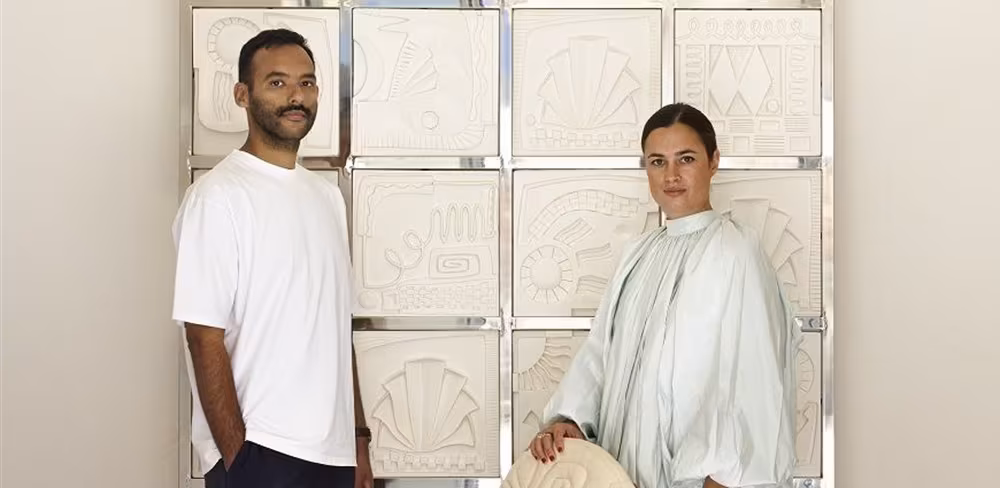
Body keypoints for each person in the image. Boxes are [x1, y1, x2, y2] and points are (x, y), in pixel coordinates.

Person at [527, 103, 799, 488]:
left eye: (685, 159)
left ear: (714, 161)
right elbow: (601, 353)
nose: (671, 176)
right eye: (657, 162)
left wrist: (726, 477)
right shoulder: (638, 254)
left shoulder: (735, 251)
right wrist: (569, 419)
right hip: (625, 473)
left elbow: (755, 375)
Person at [171, 29, 373, 488]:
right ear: (242, 95)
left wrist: (358, 440)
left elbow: (337, 330)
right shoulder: (217, 197)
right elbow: (203, 335)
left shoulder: (327, 199)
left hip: (334, 454)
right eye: (277, 83)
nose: (295, 96)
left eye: (306, 82)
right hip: (261, 451)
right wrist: (238, 458)